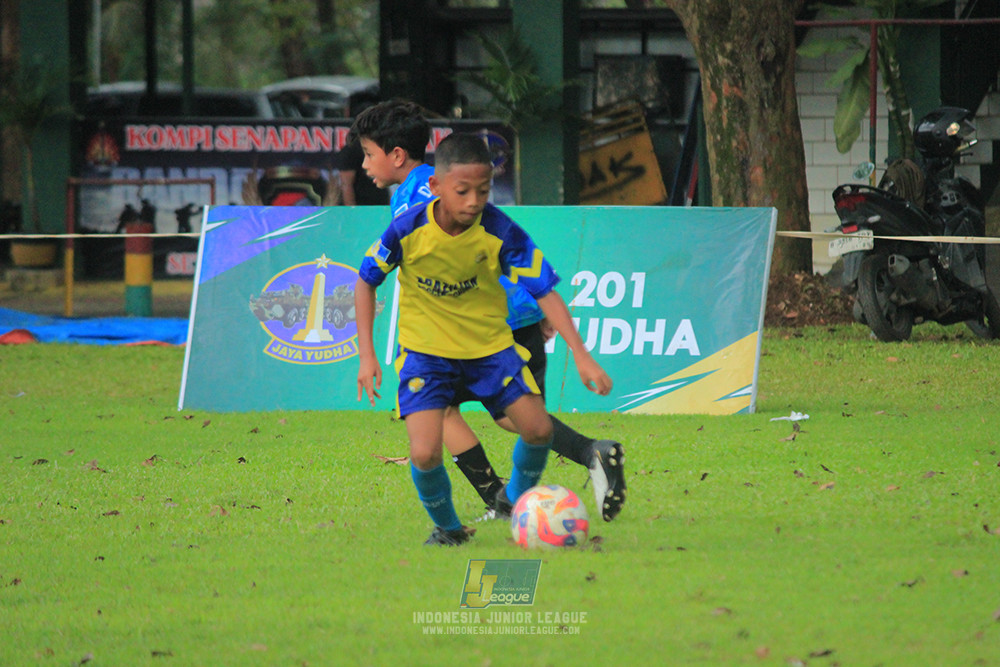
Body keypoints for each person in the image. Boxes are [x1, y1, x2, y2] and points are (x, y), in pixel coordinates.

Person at [348, 99, 627, 523]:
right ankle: (513, 495)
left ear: (396, 155)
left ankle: (535, 483)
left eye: (368, 154)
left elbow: (463, 257)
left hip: (490, 325)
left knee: (467, 413)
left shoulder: (417, 199)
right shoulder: (442, 182)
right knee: (500, 418)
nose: (365, 164)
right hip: (516, 314)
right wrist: (536, 301)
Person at [337, 138, 389, 206]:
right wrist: (352, 211)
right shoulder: (351, 151)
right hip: (360, 205)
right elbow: (346, 185)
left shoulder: (379, 147)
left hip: (381, 203)